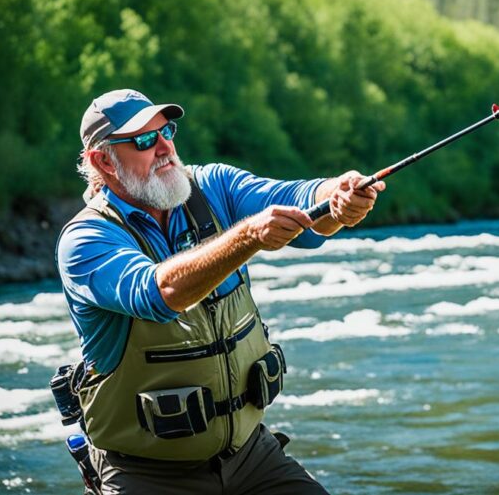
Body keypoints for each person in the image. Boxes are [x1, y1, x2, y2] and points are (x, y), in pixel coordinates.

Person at [56, 89, 385, 494]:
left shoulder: (212, 186)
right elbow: (159, 293)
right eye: (144, 140)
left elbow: (296, 199)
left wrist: (337, 195)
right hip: (147, 474)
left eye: (166, 131)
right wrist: (248, 236)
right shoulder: (86, 240)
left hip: (251, 458)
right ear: (103, 160)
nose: (163, 147)